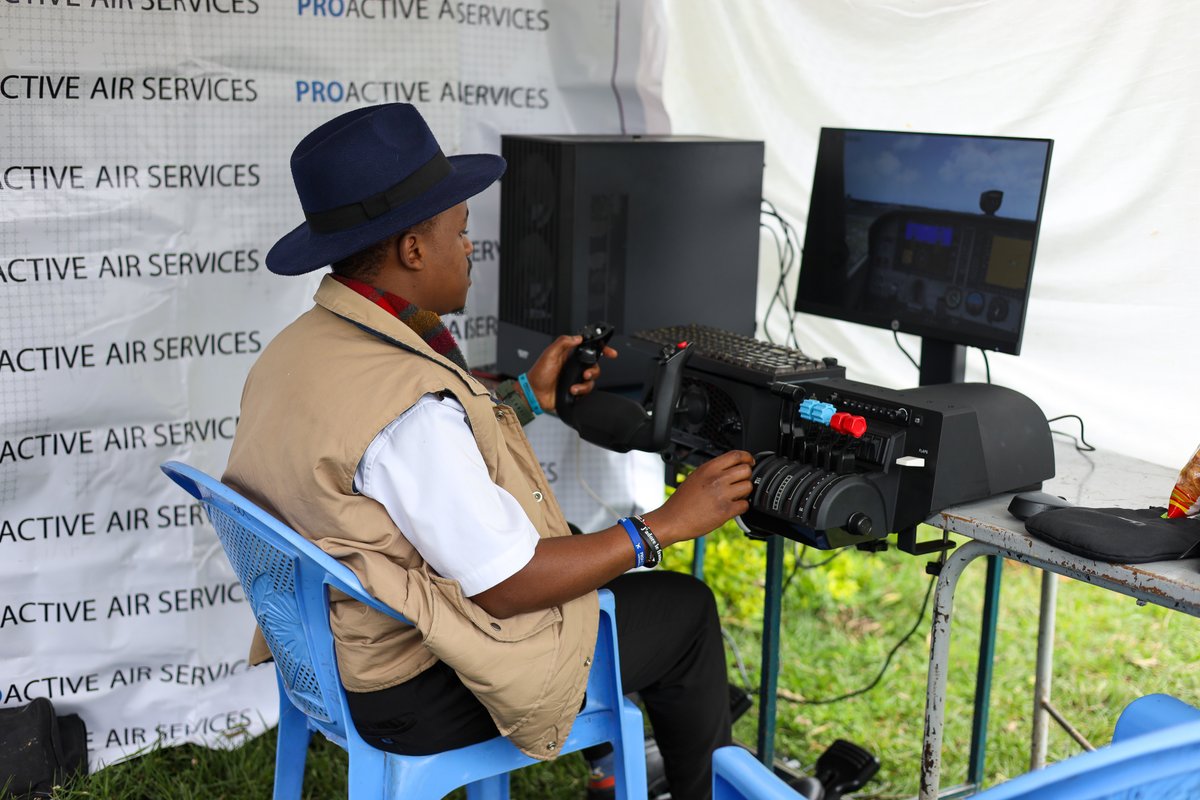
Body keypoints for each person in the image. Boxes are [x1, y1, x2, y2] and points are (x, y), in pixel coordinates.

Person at [223, 103, 754, 800]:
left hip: (324, 655)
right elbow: (504, 585)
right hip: (408, 689)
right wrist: (664, 525)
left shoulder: (304, 345)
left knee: (609, 570)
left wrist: (527, 400)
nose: (470, 248)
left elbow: (400, 479)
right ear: (413, 250)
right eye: (461, 233)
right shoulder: (410, 405)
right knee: (682, 612)